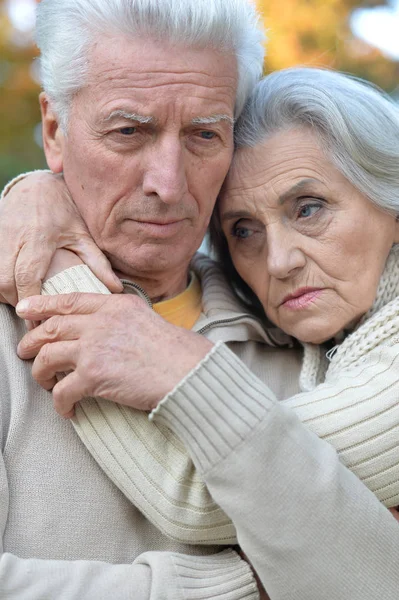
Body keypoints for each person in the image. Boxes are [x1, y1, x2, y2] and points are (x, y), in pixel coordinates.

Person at [2, 48, 399, 600]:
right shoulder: (318, 338)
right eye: (242, 229)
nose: (280, 260)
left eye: (309, 208)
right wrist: (39, 192)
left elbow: (197, 493)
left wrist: (60, 276)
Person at [0, 0, 275, 598]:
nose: (169, 183)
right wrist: (248, 585)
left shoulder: (305, 332)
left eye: (205, 134)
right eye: (128, 132)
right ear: (55, 132)